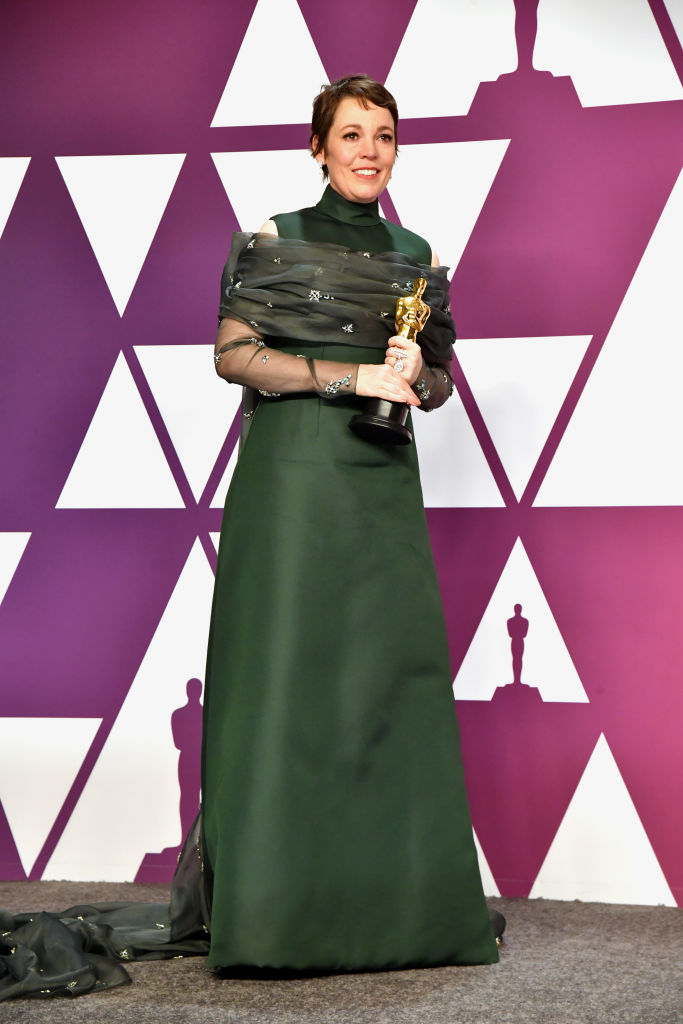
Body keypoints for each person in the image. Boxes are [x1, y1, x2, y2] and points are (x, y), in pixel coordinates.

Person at [202, 74, 501, 971]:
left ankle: (395, 912)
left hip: (379, 480)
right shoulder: (276, 236)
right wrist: (350, 376)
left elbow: (439, 383)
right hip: (291, 479)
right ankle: (276, 916)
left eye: (383, 135)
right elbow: (233, 357)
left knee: (382, 680)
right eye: (351, 134)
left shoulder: (417, 253)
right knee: (290, 675)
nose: (369, 151)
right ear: (318, 147)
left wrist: (414, 372)